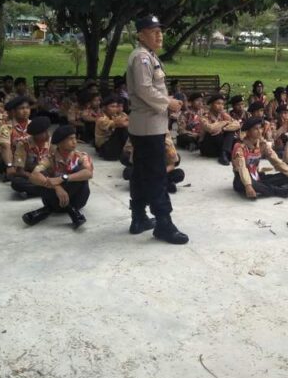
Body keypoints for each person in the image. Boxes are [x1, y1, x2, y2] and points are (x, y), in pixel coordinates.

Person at [125, 15, 188, 244]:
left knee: (141, 173)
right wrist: (167, 103)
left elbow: (151, 89)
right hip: (148, 126)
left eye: (160, 30)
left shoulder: (149, 56)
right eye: (153, 31)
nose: (159, 34)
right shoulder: (142, 57)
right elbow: (144, 90)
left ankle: (139, 217)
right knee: (156, 175)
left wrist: (168, 100)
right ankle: (163, 223)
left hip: (148, 124)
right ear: (141, 34)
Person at [22, 125, 93, 229]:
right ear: (60, 143)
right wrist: (57, 187)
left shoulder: (80, 156)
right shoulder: (49, 158)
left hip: (77, 200)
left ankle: (46, 210)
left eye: (75, 138)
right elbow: (33, 176)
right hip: (56, 197)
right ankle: (71, 210)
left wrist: (62, 178)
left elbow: (89, 173)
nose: (74, 142)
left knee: (80, 172)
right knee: (41, 177)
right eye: (70, 139)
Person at [231, 117, 288, 200]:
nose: (259, 131)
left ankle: (266, 188)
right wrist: (248, 185)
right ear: (248, 131)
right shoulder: (239, 146)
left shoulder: (262, 144)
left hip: (257, 176)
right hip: (241, 179)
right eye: (255, 129)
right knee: (254, 184)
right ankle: (279, 191)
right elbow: (242, 168)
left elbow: (277, 161)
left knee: (285, 176)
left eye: (260, 128)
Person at [9, 116, 52, 199]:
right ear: (35, 135)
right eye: (43, 132)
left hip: (47, 173)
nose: (47, 134)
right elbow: (20, 171)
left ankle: (32, 192)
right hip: (29, 174)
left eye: (47, 131)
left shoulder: (51, 141)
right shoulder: (23, 144)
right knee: (16, 182)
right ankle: (48, 190)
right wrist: (35, 177)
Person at [0, 96, 32, 175]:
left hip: (28, 157)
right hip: (11, 158)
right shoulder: (6, 127)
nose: (25, 111)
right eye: (21, 108)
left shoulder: (33, 124)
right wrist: (9, 165)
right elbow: (5, 147)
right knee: (0, 161)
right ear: (14, 111)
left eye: (27, 108)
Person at [199, 93, 241, 165]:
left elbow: (237, 124)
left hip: (219, 147)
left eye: (222, 104)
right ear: (211, 104)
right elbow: (211, 129)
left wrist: (224, 129)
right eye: (218, 103)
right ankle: (225, 153)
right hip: (208, 147)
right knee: (215, 133)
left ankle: (224, 153)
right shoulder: (205, 115)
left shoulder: (223, 114)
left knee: (230, 132)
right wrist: (224, 123)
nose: (221, 106)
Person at [94, 95, 130, 160]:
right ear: (104, 108)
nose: (115, 109)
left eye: (116, 106)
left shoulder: (114, 116)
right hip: (105, 149)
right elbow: (121, 123)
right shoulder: (101, 118)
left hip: (113, 145)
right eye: (112, 106)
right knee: (121, 128)